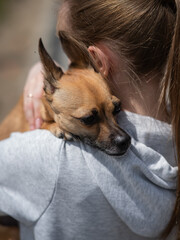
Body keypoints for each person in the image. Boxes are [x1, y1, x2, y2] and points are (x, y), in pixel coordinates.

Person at [0, 0, 179, 239]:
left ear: (98, 62)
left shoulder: (50, 157)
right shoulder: (173, 134)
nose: (69, 66)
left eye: (70, 52)